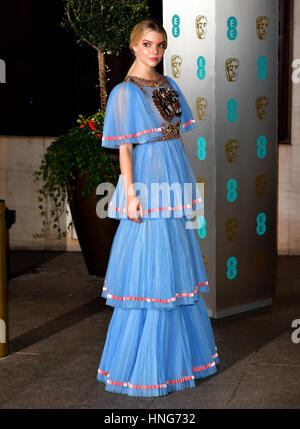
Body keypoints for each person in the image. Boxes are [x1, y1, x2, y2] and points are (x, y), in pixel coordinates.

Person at [96, 18, 219, 397]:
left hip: (176, 174)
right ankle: (145, 366)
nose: (155, 52)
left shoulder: (167, 84)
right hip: (148, 181)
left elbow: (175, 132)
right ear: (133, 46)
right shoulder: (123, 93)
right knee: (151, 266)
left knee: (178, 265)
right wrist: (130, 193)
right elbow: (126, 148)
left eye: (161, 45)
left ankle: (181, 359)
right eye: (148, 44)